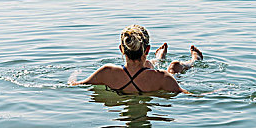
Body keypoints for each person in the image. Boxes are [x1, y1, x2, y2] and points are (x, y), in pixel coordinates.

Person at [69, 24, 203, 94]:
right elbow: (190, 95)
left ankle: (159, 57)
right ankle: (194, 60)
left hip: (136, 73)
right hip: (152, 77)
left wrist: (74, 75)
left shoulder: (106, 72)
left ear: (121, 49)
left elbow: (74, 85)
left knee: (150, 65)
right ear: (147, 50)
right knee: (175, 66)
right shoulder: (163, 77)